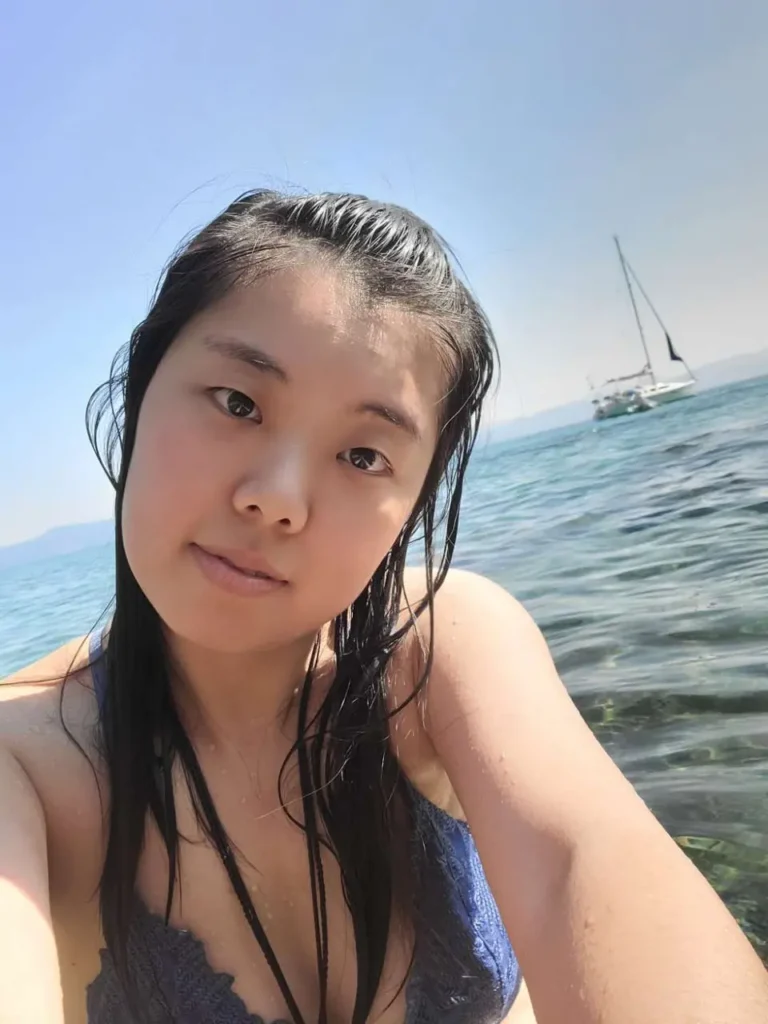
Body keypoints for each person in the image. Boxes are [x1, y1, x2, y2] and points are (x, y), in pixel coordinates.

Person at [0, 191, 765, 1024]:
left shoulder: (436, 648)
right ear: (139, 392)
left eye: (363, 455)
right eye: (237, 402)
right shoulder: (27, 763)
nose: (277, 499)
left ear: (412, 506)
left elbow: (581, 861)